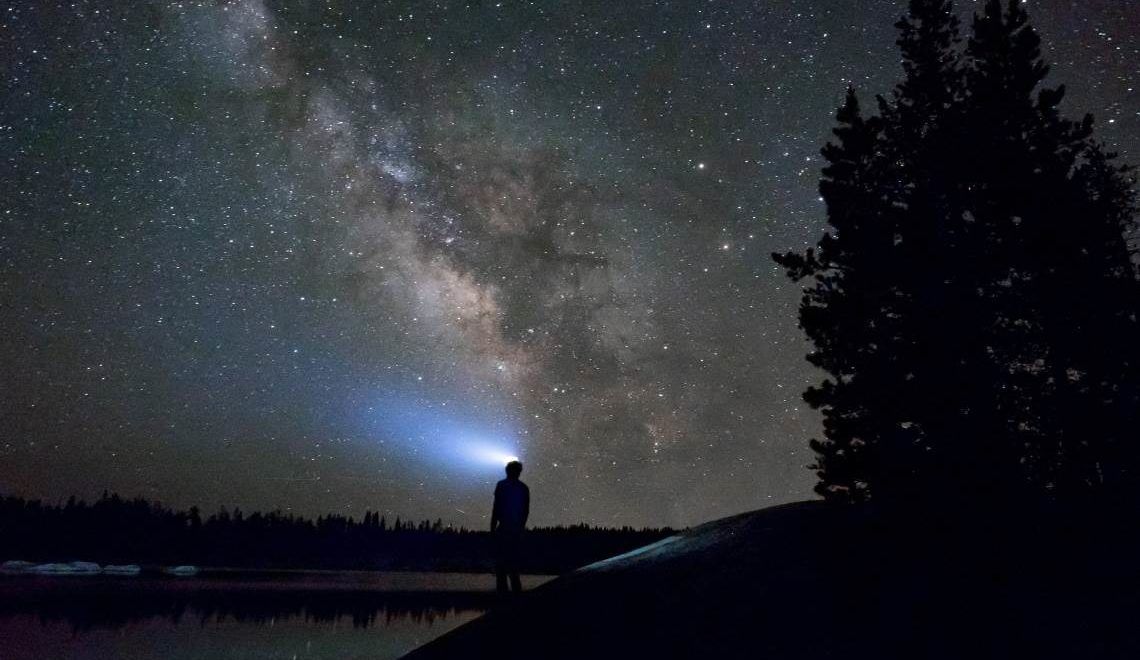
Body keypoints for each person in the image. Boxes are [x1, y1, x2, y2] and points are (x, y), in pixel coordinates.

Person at [491, 460, 529, 595]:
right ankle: (515, 604)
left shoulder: (502, 486)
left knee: (503, 568)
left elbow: (496, 509)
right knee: (512, 569)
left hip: (506, 530)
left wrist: (492, 528)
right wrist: (520, 529)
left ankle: (504, 604)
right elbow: (525, 512)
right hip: (513, 531)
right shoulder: (523, 488)